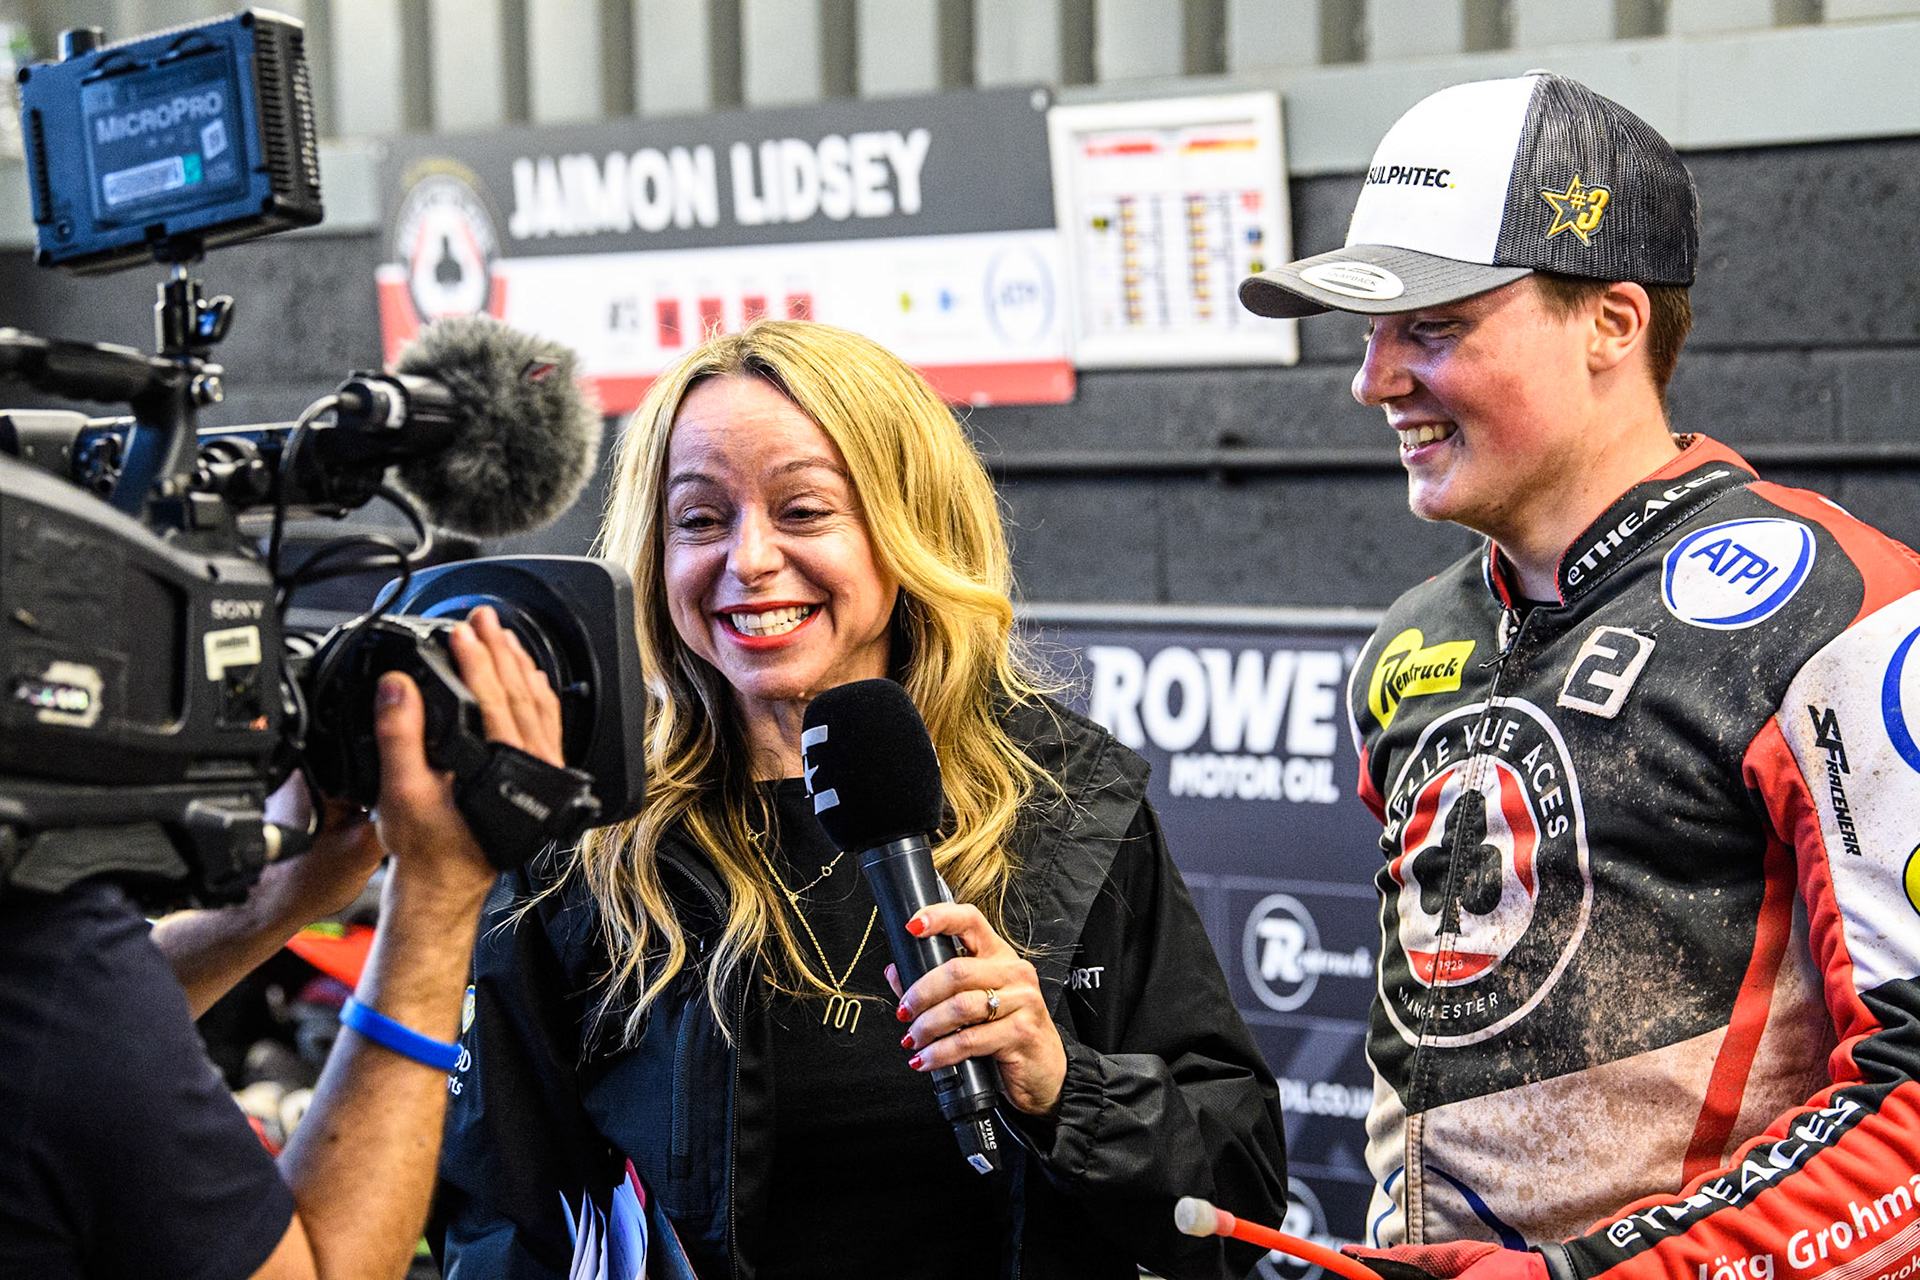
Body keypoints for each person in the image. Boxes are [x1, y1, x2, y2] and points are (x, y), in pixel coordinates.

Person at [1238, 71, 1920, 1280]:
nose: (1374, 379)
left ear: (1612, 321)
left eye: (1432, 328)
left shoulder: (1843, 609)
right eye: (1370, 334)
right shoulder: (1411, 644)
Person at [435, 319, 1289, 1280]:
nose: (749, 558)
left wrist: (1066, 1088)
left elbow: (1239, 1189)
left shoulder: (1066, 799)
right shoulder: (585, 837)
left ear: (907, 527)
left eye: (803, 511)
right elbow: (505, 1225)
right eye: (701, 519)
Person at [0, 606, 564, 1279]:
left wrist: (269, 905)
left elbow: (72, 1024)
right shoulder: (50, 970)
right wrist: (439, 897)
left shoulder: (53, 983)